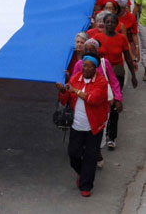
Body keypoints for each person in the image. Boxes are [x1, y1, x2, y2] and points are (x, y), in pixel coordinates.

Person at [55, 53, 109, 197]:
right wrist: (62, 90)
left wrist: (75, 90)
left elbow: (93, 99)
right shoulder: (75, 78)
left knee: (90, 156)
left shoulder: (101, 82)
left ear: (95, 68)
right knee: (73, 154)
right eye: (83, 65)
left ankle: (86, 185)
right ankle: (82, 172)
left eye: (88, 66)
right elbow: (64, 99)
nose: (84, 68)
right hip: (77, 126)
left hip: (94, 126)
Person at [94, 13, 138, 150]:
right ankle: (99, 132)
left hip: (116, 73)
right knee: (101, 102)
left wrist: (133, 75)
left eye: (113, 22)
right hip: (101, 74)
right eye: (107, 22)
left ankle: (111, 137)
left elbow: (128, 57)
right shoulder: (97, 38)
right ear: (104, 23)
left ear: (117, 24)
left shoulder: (121, 38)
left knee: (114, 103)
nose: (110, 24)